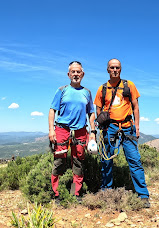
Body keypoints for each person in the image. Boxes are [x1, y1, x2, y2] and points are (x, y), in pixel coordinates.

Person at [94, 58, 150, 208]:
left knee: (135, 161)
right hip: (109, 128)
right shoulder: (102, 88)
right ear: (107, 70)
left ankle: (143, 195)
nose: (114, 70)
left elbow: (136, 107)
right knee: (106, 161)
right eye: (112, 67)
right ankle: (106, 192)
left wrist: (137, 127)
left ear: (120, 69)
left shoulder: (129, 85)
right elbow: (98, 110)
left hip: (127, 126)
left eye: (117, 67)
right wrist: (101, 126)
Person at [48, 61, 96, 204]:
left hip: (81, 131)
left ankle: (76, 192)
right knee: (59, 161)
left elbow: (91, 113)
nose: (76, 74)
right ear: (68, 74)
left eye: (78, 71)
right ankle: (57, 194)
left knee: (78, 161)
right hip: (62, 129)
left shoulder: (87, 92)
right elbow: (52, 111)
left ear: (83, 74)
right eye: (73, 72)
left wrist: (92, 131)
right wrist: (51, 130)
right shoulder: (62, 90)